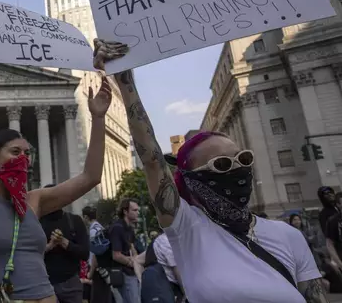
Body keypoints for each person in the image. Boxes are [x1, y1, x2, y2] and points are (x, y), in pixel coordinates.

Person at [93, 40, 326, 303]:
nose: (238, 168)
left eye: (243, 159)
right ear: (193, 179)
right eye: (222, 165)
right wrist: (125, 80)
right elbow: (152, 160)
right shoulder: (187, 229)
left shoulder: (290, 236)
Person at [0, 28, 111, 303]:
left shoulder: (34, 202)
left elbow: (90, 176)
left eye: (27, 153)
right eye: (15, 152)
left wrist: (98, 118)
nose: (23, 159)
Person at [40, 184, 90, 303]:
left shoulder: (74, 221)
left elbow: (85, 253)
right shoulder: (37, 222)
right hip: (45, 284)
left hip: (71, 282)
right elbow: (30, 255)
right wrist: (49, 246)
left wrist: (65, 243)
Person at [109, 198, 140, 303]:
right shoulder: (117, 228)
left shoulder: (129, 228)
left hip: (131, 273)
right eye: (134, 210)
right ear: (125, 211)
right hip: (123, 274)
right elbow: (116, 255)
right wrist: (133, 263)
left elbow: (132, 247)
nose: (137, 213)